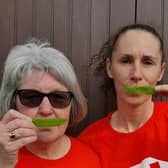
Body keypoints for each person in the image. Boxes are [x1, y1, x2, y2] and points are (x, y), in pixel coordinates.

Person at [0, 39, 101, 168]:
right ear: (13, 103)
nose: (46, 110)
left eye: (58, 97)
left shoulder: (89, 158)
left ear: (72, 105)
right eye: (32, 97)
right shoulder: (2, 158)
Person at [78, 24, 168, 167]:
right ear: (110, 68)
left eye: (147, 62)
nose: (136, 75)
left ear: (161, 72)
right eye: (126, 61)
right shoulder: (89, 143)